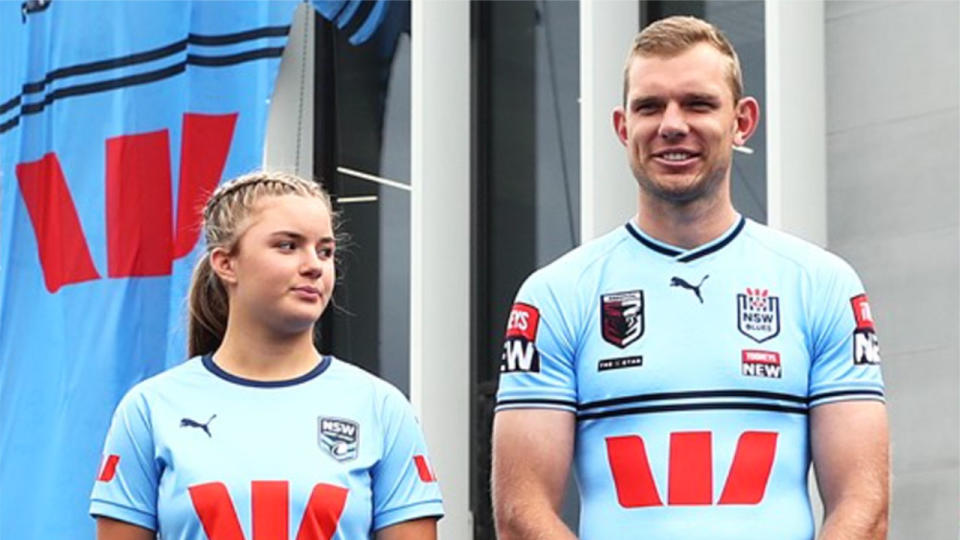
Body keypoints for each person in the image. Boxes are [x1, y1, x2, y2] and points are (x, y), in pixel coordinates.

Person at [492, 16, 888, 540]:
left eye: (698, 104)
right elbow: (522, 513)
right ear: (621, 126)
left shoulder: (822, 285)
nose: (672, 125)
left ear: (743, 121)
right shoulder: (556, 295)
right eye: (649, 107)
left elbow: (864, 506)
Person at [90, 172, 443, 540]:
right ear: (226, 263)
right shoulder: (150, 408)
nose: (314, 265)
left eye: (325, 250)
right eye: (288, 246)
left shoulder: (381, 408)